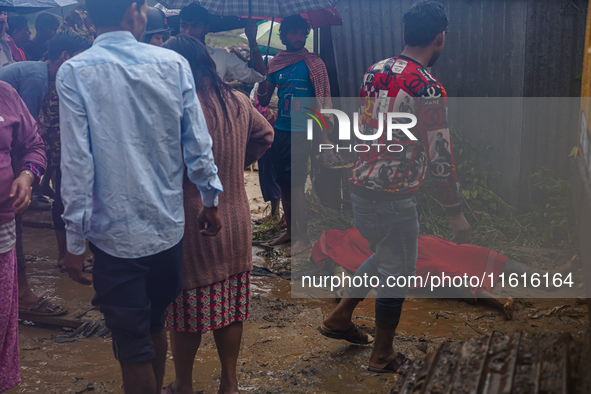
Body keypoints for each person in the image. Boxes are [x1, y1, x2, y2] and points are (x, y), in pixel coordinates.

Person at [57, 1, 223, 393]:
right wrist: (210, 200)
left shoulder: (75, 71)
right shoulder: (172, 63)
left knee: (132, 347)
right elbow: (198, 142)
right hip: (167, 228)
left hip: (114, 236)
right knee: (155, 324)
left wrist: (74, 242)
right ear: (134, 11)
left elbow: (77, 163)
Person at [318, 1, 471, 374]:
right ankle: (383, 354)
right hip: (394, 198)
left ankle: (339, 317)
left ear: (405, 35)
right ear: (440, 38)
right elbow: (439, 156)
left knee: (386, 257)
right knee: (397, 271)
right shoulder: (429, 88)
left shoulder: (374, 71)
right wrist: (455, 212)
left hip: (361, 189)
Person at [162, 35, 273, 394]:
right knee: (231, 305)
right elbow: (265, 134)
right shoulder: (239, 100)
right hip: (236, 219)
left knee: (185, 312)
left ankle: (184, 384)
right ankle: (229, 382)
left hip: (193, 223)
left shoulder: (176, 106)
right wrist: (235, 164)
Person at [0, 31, 92, 317]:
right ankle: (23, 294)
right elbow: (31, 127)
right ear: (64, 57)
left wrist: (29, 174)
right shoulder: (37, 79)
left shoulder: (35, 82)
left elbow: (31, 138)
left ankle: (18, 293)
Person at [256, 14, 338, 256]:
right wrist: (263, 75)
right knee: (284, 184)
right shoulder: (277, 62)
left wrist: (324, 137)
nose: (298, 37)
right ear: (283, 36)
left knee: (297, 185)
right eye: (293, 33)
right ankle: (290, 231)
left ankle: (302, 238)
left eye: (302, 33)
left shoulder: (314, 63)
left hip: (302, 133)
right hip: (279, 131)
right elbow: (262, 99)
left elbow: (322, 102)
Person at [0, 81, 46, 393]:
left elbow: (34, 145)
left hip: (2, 225)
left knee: (2, 321)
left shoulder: (5, 94)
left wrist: (27, 175)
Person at [179, 3, 266, 84]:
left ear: (206, 28)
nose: (188, 32)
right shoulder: (170, 55)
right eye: (184, 25)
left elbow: (257, 76)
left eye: (195, 26)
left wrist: (253, 41)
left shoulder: (220, 57)